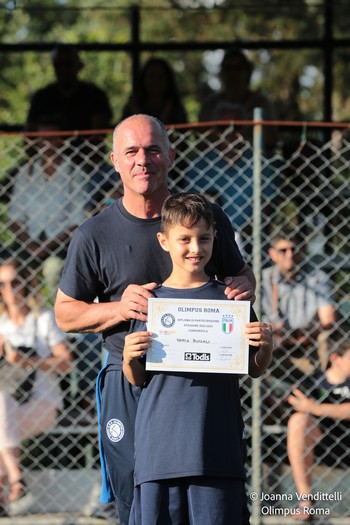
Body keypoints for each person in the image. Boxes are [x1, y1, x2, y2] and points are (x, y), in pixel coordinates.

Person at [54, 114, 257, 525]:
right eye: (131, 151)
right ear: (115, 160)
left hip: (197, 383)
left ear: (170, 155)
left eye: (152, 149)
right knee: (137, 500)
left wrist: (241, 285)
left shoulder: (204, 218)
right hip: (129, 380)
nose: (142, 160)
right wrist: (118, 308)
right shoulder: (94, 233)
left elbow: (244, 274)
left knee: (211, 498)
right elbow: (65, 312)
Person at [123, 192, 273, 525]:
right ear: (164, 241)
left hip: (216, 451)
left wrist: (265, 346)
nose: (195, 248)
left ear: (215, 239)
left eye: (203, 238)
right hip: (159, 454)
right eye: (185, 239)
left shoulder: (232, 300)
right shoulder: (150, 302)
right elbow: (137, 378)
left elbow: (254, 369)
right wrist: (130, 357)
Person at [0, 256, 72, 517]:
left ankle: (14, 482)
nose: (9, 290)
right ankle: (14, 489)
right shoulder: (1, 324)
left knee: (0, 405)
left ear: (26, 284)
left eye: (15, 282)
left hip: (43, 403)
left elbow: (66, 364)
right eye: (3, 284)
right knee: (2, 408)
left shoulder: (43, 319)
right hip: (9, 409)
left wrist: (28, 361)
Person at [7, 114, 90, 298]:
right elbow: (14, 216)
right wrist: (30, 245)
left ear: (62, 140)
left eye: (52, 138)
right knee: (10, 267)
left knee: (53, 269)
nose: (47, 144)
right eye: (42, 139)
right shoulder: (26, 172)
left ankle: (57, 317)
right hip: (28, 240)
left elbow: (78, 219)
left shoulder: (74, 172)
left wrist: (46, 247)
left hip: (61, 243)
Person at [185, 101, 281, 258]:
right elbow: (188, 207)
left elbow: (268, 204)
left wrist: (243, 235)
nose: (230, 133)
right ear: (214, 132)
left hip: (252, 241)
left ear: (245, 130)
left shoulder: (259, 164)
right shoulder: (199, 166)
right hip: (206, 240)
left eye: (236, 127)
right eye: (223, 128)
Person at [261, 226, 337, 423]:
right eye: (283, 250)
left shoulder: (317, 278)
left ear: (302, 251)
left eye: (295, 249)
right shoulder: (263, 279)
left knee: (329, 338)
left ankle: (324, 392)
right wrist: (275, 334)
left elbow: (328, 320)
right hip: (274, 343)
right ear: (272, 253)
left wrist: (306, 333)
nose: (290, 255)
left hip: (308, 342)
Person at [287, 325, 350, 521]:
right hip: (322, 444)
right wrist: (307, 409)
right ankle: (306, 500)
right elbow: (294, 404)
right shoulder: (312, 383)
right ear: (336, 359)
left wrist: (315, 408)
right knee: (298, 420)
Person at [198, 48, 278, 151]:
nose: (233, 73)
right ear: (222, 72)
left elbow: (271, 139)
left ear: (247, 71)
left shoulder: (260, 103)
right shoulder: (210, 104)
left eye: (238, 68)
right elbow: (200, 142)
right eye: (228, 68)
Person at [26, 43, 112, 133]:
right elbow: (30, 132)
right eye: (59, 64)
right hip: (50, 147)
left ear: (79, 65)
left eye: (68, 64)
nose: (63, 70)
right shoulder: (42, 97)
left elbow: (98, 134)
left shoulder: (95, 96)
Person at [121, 57, 188, 125]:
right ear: (144, 79)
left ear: (168, 80)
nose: (156, 81)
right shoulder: (133, 105)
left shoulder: (175, 108)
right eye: (151, 76)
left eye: (160, 77)